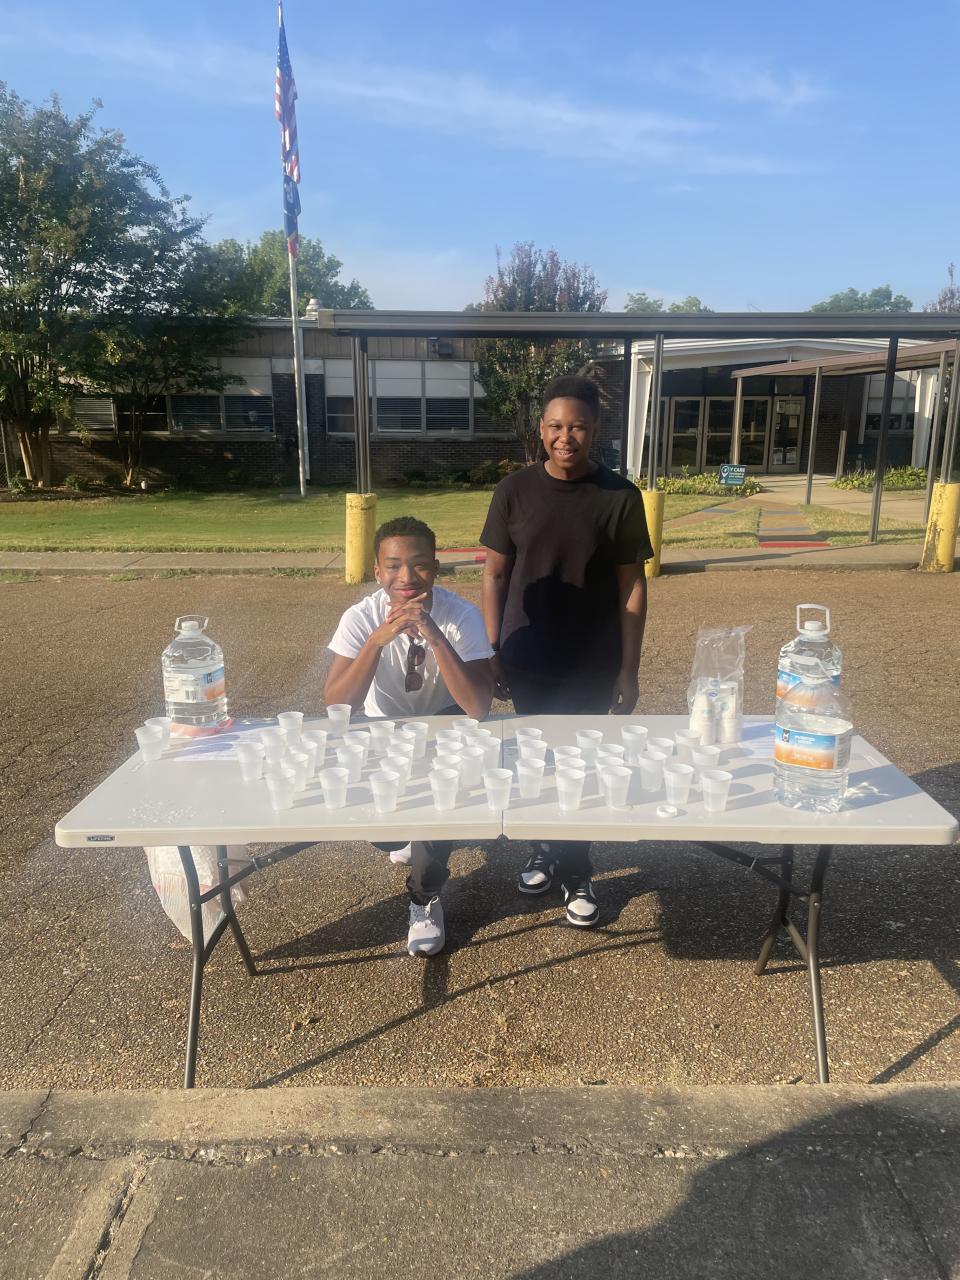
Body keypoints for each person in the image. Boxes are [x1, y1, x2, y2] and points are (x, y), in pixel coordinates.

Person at [480, 374, 653, 928]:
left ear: (594, 429)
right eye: (555, 426)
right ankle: (542, 851)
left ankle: (578, 870)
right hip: (527, 655)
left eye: (577, 426)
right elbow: (494, 575)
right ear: (541, 429)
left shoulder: (619, 496)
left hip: (592, 662)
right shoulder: (514, 491)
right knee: (537, 763)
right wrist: (490, 649)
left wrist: (629, 669)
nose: (565, 437)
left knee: (579, 767)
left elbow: (632, 585)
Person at [325, 516, 493, 957]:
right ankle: (402, 838)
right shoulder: (359, 617)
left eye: (419, 564)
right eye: (393, 566)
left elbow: (478, 707)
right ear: (376, 571)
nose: (406, 577)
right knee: (368, 814)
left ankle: (424, 899)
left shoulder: (461, 616)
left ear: (435, 567)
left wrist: (434, 635)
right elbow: (338, 704)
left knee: (437, 812)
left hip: (446, 721)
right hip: (384, 724)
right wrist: (376, 642)